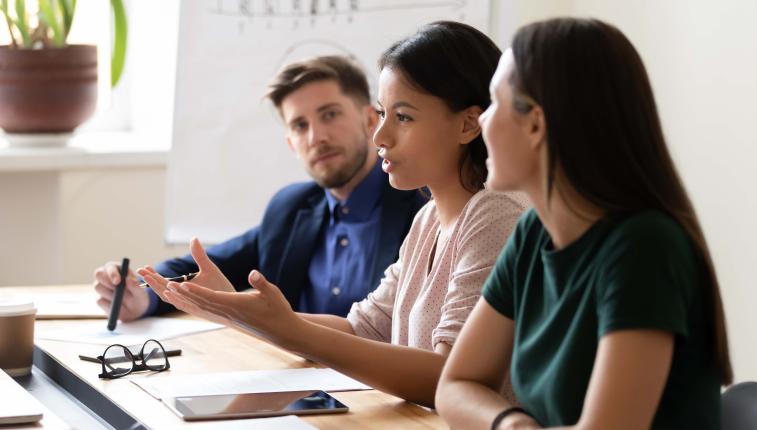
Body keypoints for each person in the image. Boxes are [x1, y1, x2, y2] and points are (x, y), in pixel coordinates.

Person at [137, 21, 527, 407]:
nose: (380, 136)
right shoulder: (429, 219)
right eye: (383, 113)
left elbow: (449, 377)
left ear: (468, 124)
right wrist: (237, 312)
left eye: (403, 117)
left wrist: (288, 328)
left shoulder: (494, 214)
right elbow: (364, 328)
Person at [435, 17, 733, 429]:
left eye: (494, 103)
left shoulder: (644, 247)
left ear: (536, 123)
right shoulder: (533, 233)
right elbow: (455, 384)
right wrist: (512, 425)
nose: (482, 122)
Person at [92, 56, 427, 321]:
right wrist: (143, 294)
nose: (316, 137)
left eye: (330, 115)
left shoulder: (422, 208)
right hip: (292, 383)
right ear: (291, 143)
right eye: (300, 125)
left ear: (371, 120)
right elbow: (201, 268)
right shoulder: (291, 208)